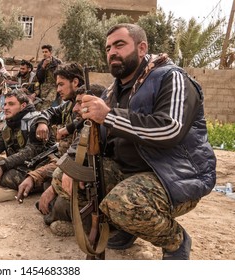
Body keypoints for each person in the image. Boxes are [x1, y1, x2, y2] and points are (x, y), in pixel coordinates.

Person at [75, 23, 216, 259]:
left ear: (142, 48)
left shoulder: (172, 78)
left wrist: (108, 116)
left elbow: (170, 129)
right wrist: (75, 163)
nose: (111, 52)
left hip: (176, 176)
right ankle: (127, 228)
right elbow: (94, 134)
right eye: (108, 47)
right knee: (70, 177)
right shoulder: (112, 91)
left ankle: (176, 241)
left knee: (124, 203)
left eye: (119, 45)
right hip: (131, 174)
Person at [35, 84, 106, 237]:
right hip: (84, 182)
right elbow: (71, 155)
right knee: (50, 184)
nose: (75, 108)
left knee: (61, 203)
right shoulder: (84, 126)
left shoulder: (104, 127)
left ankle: (89, 225)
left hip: (102, 188)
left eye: (81, 103)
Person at [0, 90, 55, 203]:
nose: (6, 108)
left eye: (11, 104)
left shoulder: (35, 122)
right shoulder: (8, 125)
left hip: (36, 168)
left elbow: (30, 152)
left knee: (10, 175)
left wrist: (2, 165)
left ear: (23, 105)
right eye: (5, 104)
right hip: (16, 165)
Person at [18, 63, 85, 204]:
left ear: (75, 82)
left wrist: (35, 176)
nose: (58, 89)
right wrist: (42, 122)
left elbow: (77, 154)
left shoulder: (86, 107)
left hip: (77, 166)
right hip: (62, 160)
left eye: (61, 84)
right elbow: (49, 112)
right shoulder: (68, 105)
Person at [36, 44, 62, 110]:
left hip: (54, 86)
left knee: (48, 101)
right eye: (43, 52)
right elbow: (39, 77)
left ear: (50, 52)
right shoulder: (41, 63)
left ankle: (42, 115)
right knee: (42, 102)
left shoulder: (57, 62)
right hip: (44, 87)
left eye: (46, 52)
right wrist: (43, 67)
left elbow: (62, 74)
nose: (44, 54)